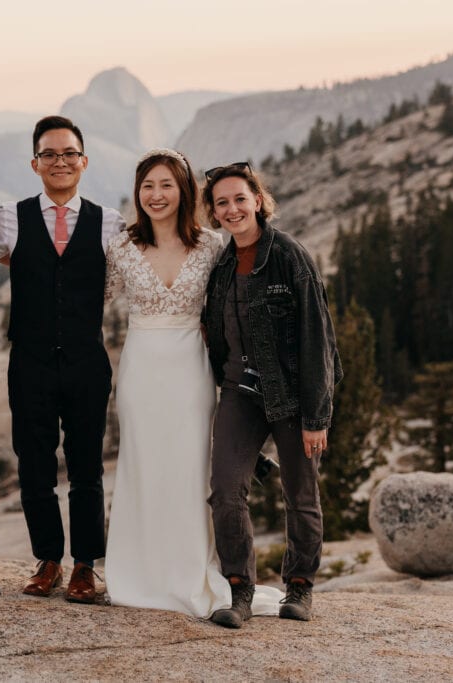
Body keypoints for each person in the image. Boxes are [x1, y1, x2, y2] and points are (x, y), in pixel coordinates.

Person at [103, 149, 283, 619]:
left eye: (166, 185)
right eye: (147, 186)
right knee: (144, 467)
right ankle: (140, 574)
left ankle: (189, 573)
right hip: (141, 371)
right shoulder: (121, 247)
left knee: (189, 468)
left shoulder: (210, 245)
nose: (156, 195)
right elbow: (89, 298)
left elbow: (231, 303)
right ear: (138, 193)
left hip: (191, 370)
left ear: (184, 191)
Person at [0, 116, 125, 604]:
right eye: (49, 154)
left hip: (87, 362)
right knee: (34, 465)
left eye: (68, 153)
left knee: (87, 467)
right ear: (35, 164)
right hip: (30, 362)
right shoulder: (9, 218)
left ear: (83, 161)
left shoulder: (110, 222)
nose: (59, 161)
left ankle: (85, 565)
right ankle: (47, 560)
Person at [201, 162, 342, 627]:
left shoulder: (288, 256)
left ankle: (299, 588)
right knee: (226, 490)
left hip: (292, 394)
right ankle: (239, 590)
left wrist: (317, 416)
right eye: (222, 202)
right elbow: (216, 334)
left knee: (300, 492)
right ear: (214, 211)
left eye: (240, 199)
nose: (232, 209)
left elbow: (317, 337)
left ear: (258, 201)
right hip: (239, 392)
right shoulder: (222, 264)